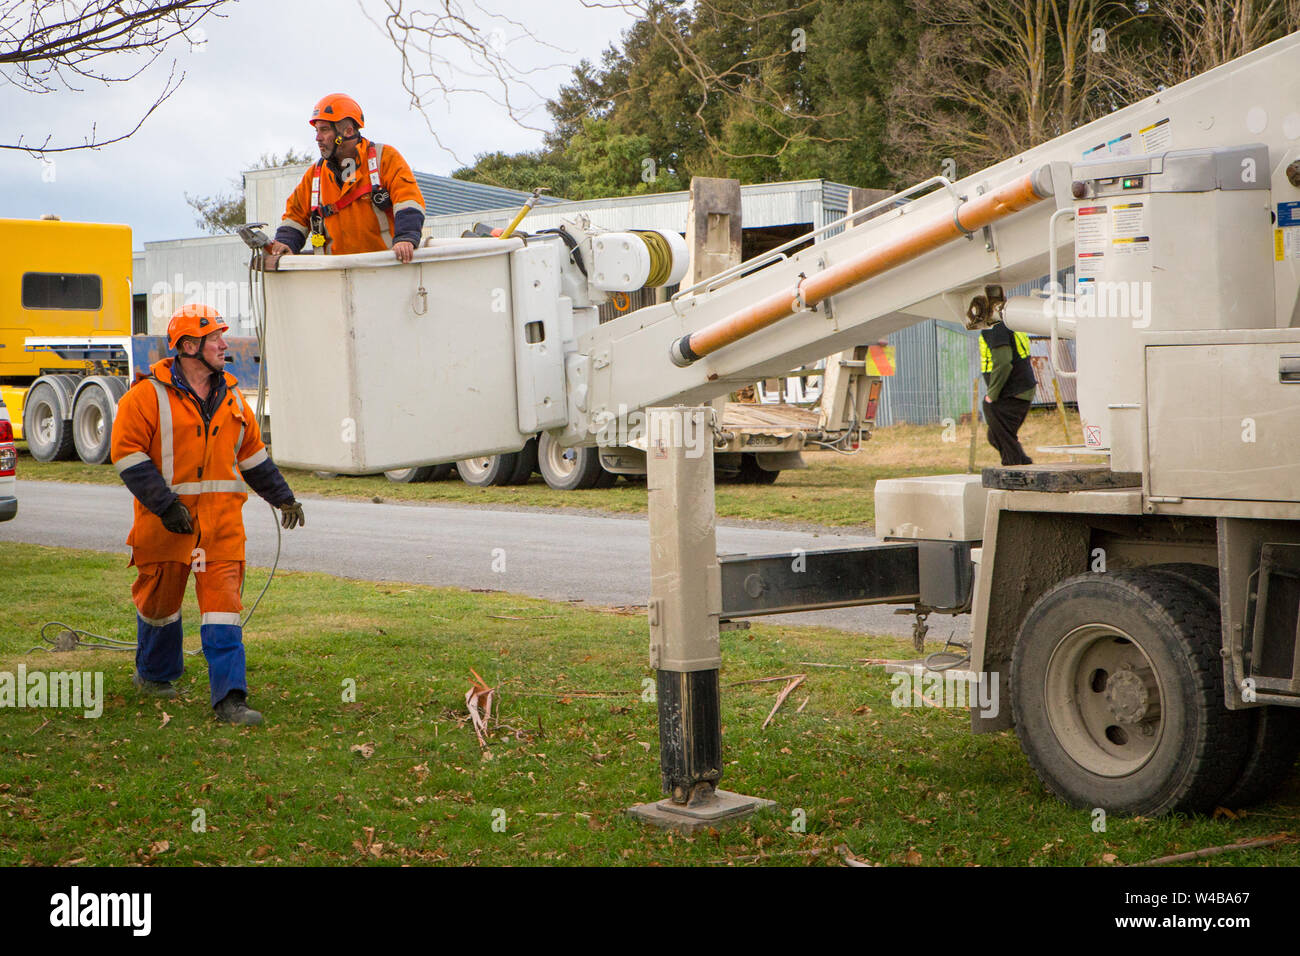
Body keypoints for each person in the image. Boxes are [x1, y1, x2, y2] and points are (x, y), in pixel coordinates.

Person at [110, 304, 306, 725]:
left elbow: (253, 458)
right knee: (159, 605)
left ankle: (230, 700)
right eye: (214, 337)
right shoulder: (145, 397)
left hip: (220, 530)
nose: (224, 344)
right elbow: (127, 455)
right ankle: (156, 675)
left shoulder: (234, 398)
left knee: (223, 610)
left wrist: (284, 498)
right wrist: (166, 507)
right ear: (187, 346)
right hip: (164, 527)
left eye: (222, 335)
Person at [266, 93, 425, 261]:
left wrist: (406, 238)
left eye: (325, 130)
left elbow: (408, 199)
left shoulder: (384, 159)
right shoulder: (315, 175)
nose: (317, 138)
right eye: (317, 130)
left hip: (383, 269)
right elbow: (295, 217)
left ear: (348, 131)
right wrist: (284, 243)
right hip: (335, 275)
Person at [979, 323, 1037, 466]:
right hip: (1022, 390)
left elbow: (1003, 362)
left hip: (1012, 392)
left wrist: (991, 394)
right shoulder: (1009, 324)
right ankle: (1024, 464)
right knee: (996, 436)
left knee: (1002, 435)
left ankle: (1015, 470)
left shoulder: (995, 327)